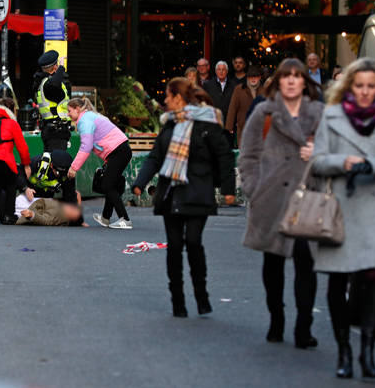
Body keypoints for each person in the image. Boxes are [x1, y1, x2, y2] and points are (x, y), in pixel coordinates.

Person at [311, 58, 375, 379]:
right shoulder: (332, 117)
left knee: (372, 281)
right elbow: (318, 161)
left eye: (371, 86)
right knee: (338, 282)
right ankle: (344, 350)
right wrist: (343, 161)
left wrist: (369, 165)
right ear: (350, 86)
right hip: (341, 211)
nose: (365, 92)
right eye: (359, 86)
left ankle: (367, 349)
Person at [238, 58, 323, 348]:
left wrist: (318, 153)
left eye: (296, 76)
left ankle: (303, 326)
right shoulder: (264, 112)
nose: (290, 81)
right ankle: (277, 318)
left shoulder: (319, 114)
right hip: (271, 198)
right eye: (284, 76)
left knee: (306, 262)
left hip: (306, 198)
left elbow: (337, 152)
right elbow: (247, 156)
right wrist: (253, 189)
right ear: (278, 81)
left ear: (304, 82)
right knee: (272, 263)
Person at [132, 78, 235, 317]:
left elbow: (224, 156)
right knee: (174, 246)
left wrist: (228, 189)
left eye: (168, 96)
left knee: (194, 242)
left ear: (179, 97)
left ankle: (201, 295)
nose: (165, 100)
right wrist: (140, 182)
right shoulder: (169, 125)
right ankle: (177, 300)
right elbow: (155, 157)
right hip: (171, 193)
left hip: (198, 191)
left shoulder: (206, 123)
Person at [0, 149, 78, 224]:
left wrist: (77, 220)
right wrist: (26, 188)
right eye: (57, 172)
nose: (60, 175)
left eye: (63, 173)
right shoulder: (40, 162)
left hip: (39, 204)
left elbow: (70, 196)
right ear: (51, 165)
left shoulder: (68, 173)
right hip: (27, 196)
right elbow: (19, 174)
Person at [66, 98, 132, 229]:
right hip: (120, 150)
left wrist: (74, 168)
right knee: (110, 184)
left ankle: (125, 220)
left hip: (117, 152)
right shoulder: (90, 116)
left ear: (77, 109)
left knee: (108, 185)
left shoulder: (84, 121)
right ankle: (105, 218)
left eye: (69, 111)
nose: (68, 114)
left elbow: (86, 146)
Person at [33, 50, 71, 151]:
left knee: (50, 162)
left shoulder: (42, 82)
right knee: (58, 164)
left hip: (50, 130)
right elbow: (55, 84)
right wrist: (62, 68)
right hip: (56, 132)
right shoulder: (49, 85)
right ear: (55, 67)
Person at [225, 65, 264, 147]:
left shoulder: (264, 90)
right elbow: (232, 107)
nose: (253, 79)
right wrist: (229, 127)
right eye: (250, 77)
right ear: (247, 78)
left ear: (260, 77)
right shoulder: (239, 89)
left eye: (255, 77)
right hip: (243, 127)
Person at [16, 198, 86, 227]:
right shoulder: (61, 207)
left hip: (24, 207)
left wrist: (31, 214)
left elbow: (46, 220)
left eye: (72, 211)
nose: (71, 207)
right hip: (30, 201)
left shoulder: (59, 216)